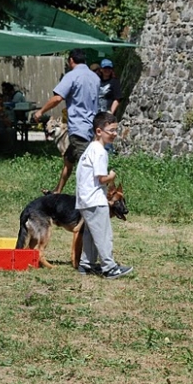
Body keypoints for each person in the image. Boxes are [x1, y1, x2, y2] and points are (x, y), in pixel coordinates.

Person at [33, 48, 100, 194]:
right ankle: (57, 192)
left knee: (87, 167)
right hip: (92, 127)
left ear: (71, 60)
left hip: (79, 128)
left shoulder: (72, 76)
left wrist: (40, 111)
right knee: (68, 161)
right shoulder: (95, 77)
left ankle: (99, 198)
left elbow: (57, 98)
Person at [75, 112, 133, 279]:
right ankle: (109, 267)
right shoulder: (100, 152)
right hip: (95, 199)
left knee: (91, 234)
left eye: (116, 130)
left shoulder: (90, 149)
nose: (114, 134)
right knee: (103, 235)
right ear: (99, 131)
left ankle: (87, 264)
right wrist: (112, 176)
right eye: (111, 130)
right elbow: (101, 178)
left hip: (85, 199)